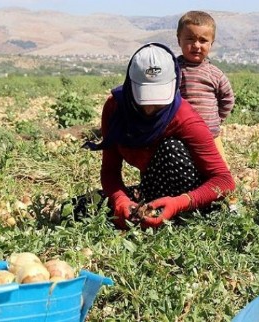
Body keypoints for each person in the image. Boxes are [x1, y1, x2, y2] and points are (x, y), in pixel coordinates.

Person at [82, 42, 235, 229]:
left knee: (171, 148)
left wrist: (180, 202)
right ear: (130, 86)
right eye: (143, 99)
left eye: (158, 102)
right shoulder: (116, 109)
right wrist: (120, 200)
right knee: (79, 208)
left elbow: (224, 181)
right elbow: (110, 170)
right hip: (153, 188)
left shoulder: (184, 117)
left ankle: (179, 219)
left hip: (191, 196)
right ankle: (149, 213)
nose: (149, 109)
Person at [176, 11, 235, 165]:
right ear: (179, 40)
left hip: (211, 134)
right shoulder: (173, 70)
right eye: (190, 39)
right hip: (180, 135)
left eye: (203, 40)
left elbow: (227, 98)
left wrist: (217, 119)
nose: (196, 45)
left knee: (220, 173)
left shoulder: (215, 74)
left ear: (211, 44)